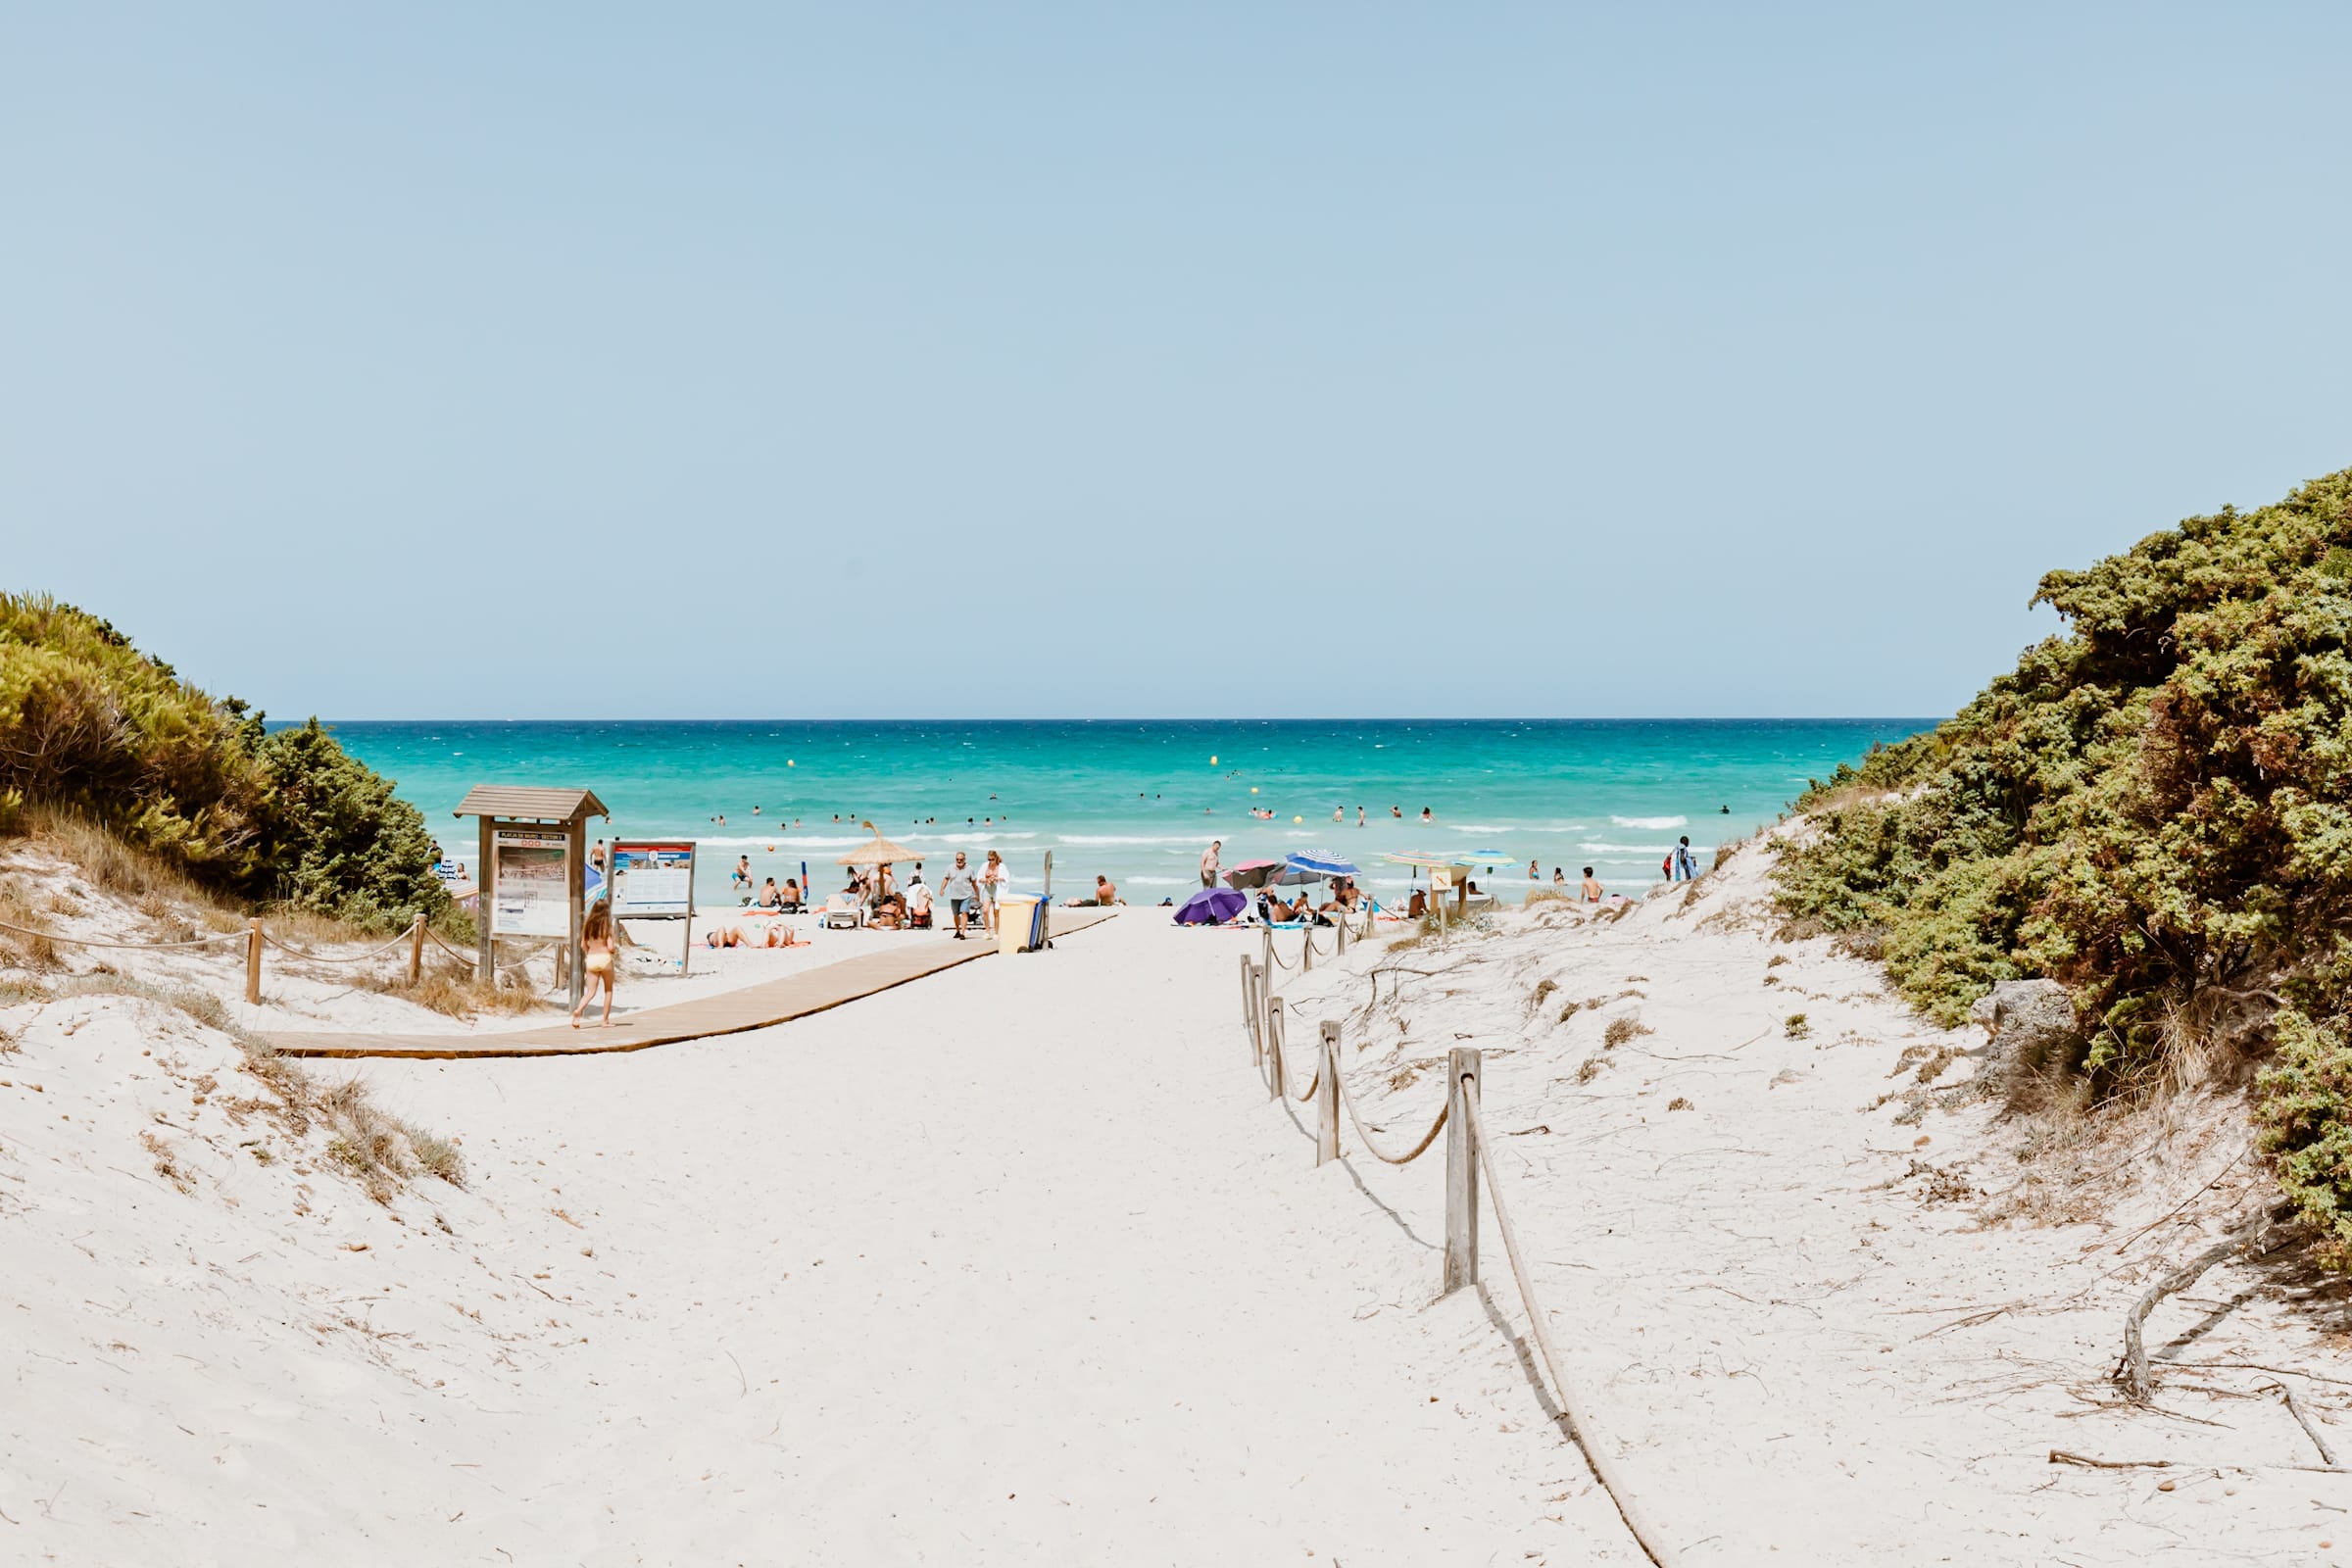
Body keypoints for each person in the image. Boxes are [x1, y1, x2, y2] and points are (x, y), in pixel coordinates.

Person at [571, 903, 616, 1029]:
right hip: (605, 959)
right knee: (608, 990)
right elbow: (610, 947)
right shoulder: (608, 927)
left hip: (591, 959)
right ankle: (605, 1021)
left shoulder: (588, 925)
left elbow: (583, 945)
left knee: (590, 992)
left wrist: (589, 952)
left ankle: (578, 1011)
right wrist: (613, 951)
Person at [940, 853, 978, 939]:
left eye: (961, 859)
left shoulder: (970, 869)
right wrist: (942, 889)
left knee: (964, 913)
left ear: (964, 860)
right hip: (954, 896)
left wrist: (977, 894)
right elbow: (946, 879)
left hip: (966, 895)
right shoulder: (950, 867)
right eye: (957, 859)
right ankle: (957, 931)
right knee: (956, 915)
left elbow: (974, 882)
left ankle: (963, 933)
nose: (959, 861)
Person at [980, 850, 1006, 935]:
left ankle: (996, 932)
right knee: (985, 910)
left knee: (996, 911)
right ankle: (987, 931)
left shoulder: (1001, 866)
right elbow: (979, 878)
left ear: (996, 858)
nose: (991, 861)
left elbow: (1006, 878)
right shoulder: (985, 866)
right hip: (987, 889)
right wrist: (986, 880)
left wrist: (996, 878)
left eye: (992, 859)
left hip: (996, 890)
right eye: (989, 859)